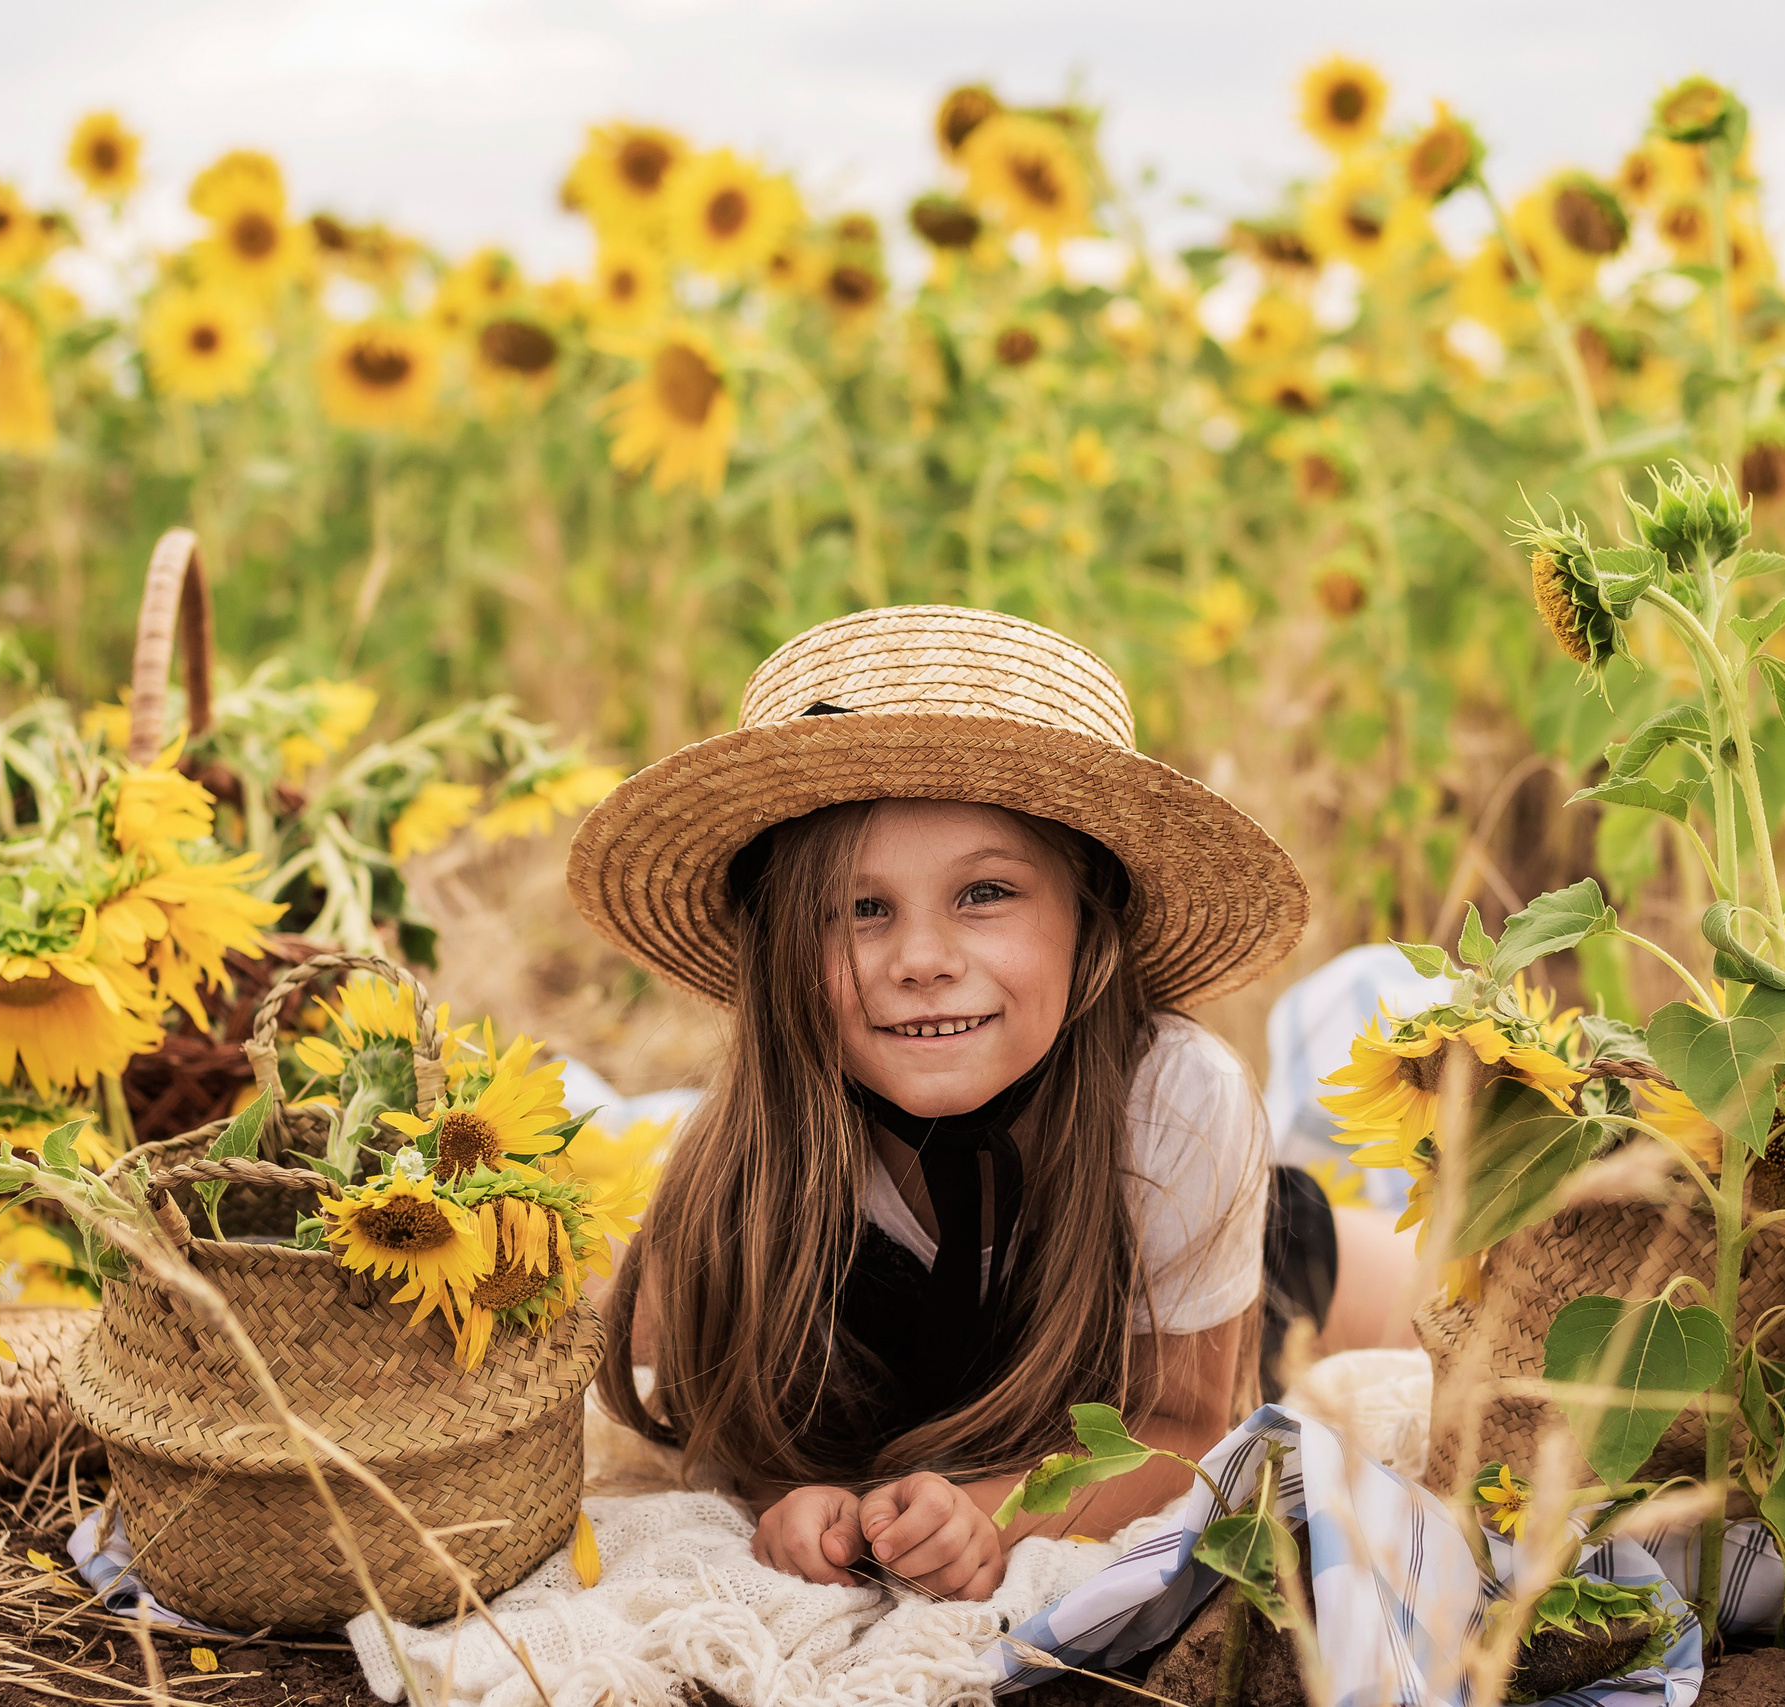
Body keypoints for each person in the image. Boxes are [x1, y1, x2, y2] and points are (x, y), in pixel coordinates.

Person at [566, 605, 1322, 1603]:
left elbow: (1188, 1425)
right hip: (915, 1328)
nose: (921, 961)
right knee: (611, 1193)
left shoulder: (1176, 1102)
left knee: (1382, 1290)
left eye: (985, 894)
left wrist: (1003, 1511)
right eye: (858, 909)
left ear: (1089, 924)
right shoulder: (753, 1155)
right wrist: (799, 1498)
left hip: (1206, 1258)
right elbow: (738, 1406)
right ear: (785, 955)